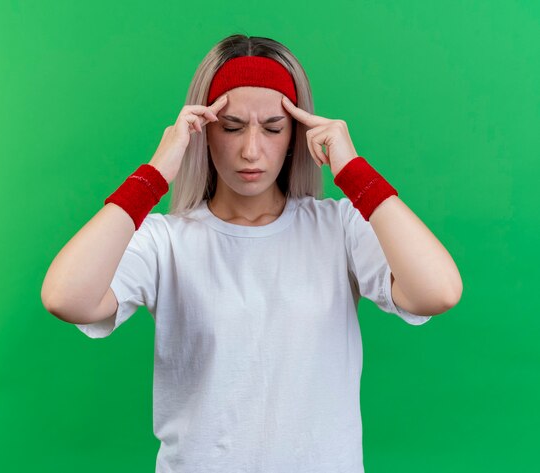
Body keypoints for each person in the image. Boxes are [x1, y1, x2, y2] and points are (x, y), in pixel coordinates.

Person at [41, 34, 462, 473]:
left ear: (296, 135)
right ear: (203, 130)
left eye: (274, 128)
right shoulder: (165, 241)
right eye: (232, 127)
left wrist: (354, 172)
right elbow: (66, 298)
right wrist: (156, 173)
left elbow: (439, 291)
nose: (251, 150)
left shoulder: (339, 228)